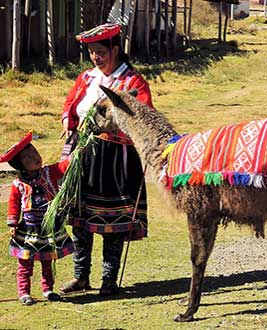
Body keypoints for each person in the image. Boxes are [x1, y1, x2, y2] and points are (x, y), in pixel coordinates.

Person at [59, 23, 153, 296]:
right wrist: (68, 119)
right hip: (82, 154)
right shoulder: (86, 78)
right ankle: (81, 277)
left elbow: (142, 115)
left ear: (115, 49)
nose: (96, 58)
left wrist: (110, 128)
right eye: (91, 53)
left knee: (111, 220)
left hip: (115, 159)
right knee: (80, 218)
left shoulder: (132, 82)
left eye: (100, 52)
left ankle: (109, 280)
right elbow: (70, 105)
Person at [1, 132, 74, 305]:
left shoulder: (50, 172)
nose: (35, 157)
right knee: (25, 262)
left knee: (47, 260)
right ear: (21, 166)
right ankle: (23, 292)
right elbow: (14, 204)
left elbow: (65, 166)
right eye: (28, 157)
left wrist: (76, 154)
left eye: (35, 152)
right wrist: (12, 223)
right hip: (28, 228)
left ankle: (48, 289)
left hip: (48, 228)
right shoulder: (18, 184)